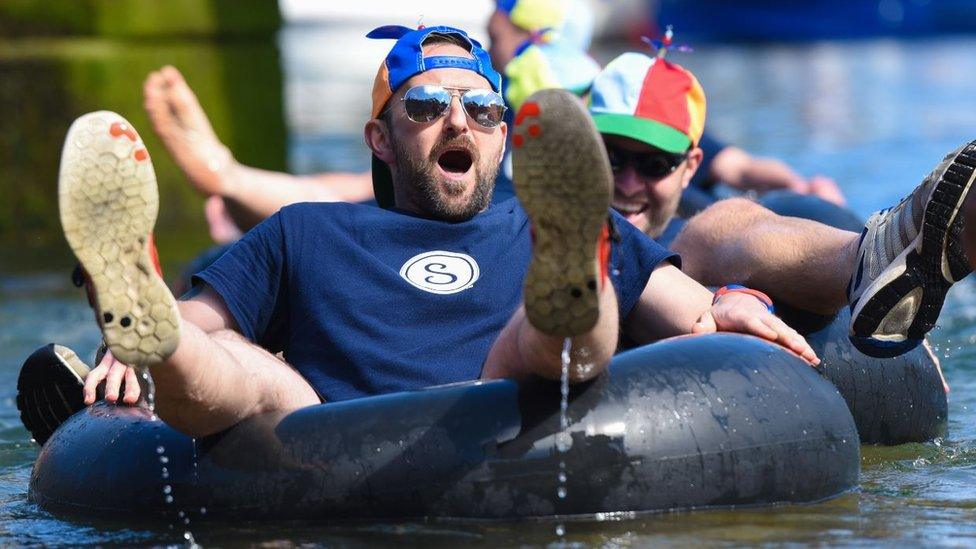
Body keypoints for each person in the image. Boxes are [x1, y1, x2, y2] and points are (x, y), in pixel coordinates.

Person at [44, 25, 809, 439]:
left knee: (529, 341)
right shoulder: (303, 232)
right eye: (426, 105)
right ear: (381, 138)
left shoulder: (534, 219)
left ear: (505, 138)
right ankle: (141, 311)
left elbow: (696, 316)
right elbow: (212, 323)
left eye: (482, 110)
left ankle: (575, 279)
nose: (458, 121)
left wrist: (734, 303)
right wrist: (137, 340)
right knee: (248, 372)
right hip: (327, 434)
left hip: (499, 404)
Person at [586, 50, 974, 358]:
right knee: (716, 225)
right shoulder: (538, 213)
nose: (629, 183)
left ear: (690, 166)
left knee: (729, 221)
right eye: (611, 159)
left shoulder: (695, 193)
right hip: (636, 266)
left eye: (654, 164)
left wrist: (803, 190)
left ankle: (877, 256)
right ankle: (881, 253)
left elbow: (742, 167)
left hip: (697, 247)